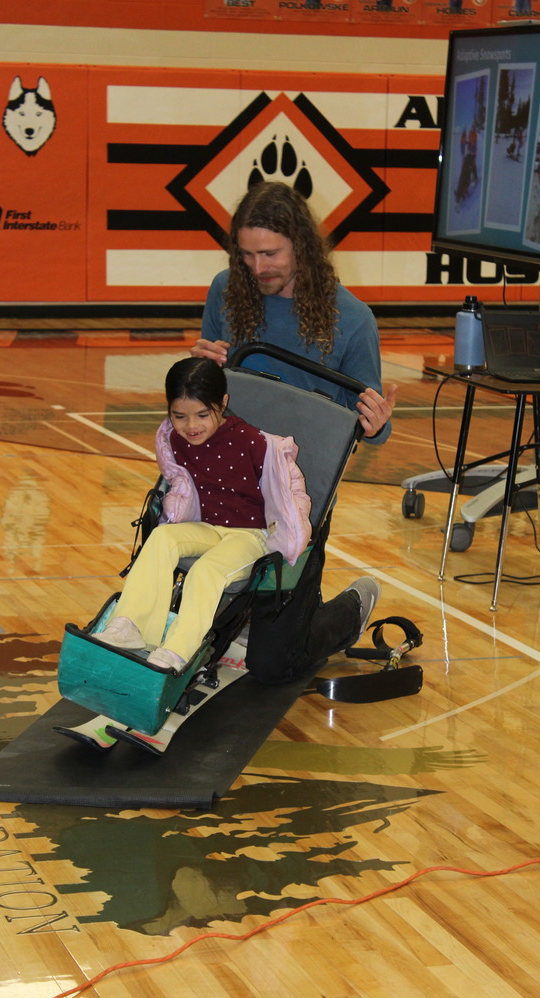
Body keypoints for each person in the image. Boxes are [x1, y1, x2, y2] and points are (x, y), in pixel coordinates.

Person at [190, 180, 396, 683]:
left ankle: (350, 606)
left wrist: (376, 423)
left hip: (299, 500)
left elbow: (370, 432)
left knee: (271, 664)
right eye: (246, 255)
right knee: (193, 633)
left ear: (302, 245)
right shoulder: (226, 291)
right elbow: (204, 400)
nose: (258, 268)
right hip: (223, 483)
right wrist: (201, 375)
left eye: (270, 253)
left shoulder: (353, 320)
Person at [92, 355, 311, 673]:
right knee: (163, 537)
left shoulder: (256, 444)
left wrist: (292, 529)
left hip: (252, 535)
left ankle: (178, 651)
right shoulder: (172, 439)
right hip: (206, 527)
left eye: (202, 415)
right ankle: (130, 626)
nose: (191, 426)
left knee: (206, 572)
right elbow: (178, 481)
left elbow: (292, 491)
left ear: (223, 403)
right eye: (180, 416)